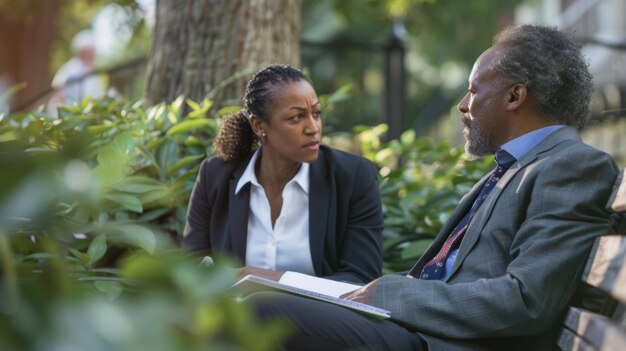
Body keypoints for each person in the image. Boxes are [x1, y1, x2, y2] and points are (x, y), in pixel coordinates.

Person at [252, 24, 620, 350]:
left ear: (514, 96)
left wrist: (391, 294)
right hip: (420, 330)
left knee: (260, 314)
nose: (462, 105)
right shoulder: (518, 166)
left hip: (442, 341)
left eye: (474, 90)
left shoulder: (570, 165)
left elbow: (527, 300)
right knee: (253, 296)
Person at [182, 64, 384, 284]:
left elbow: (361, 280)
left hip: (319, 317)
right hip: (235, 315)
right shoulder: (215, 176)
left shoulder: (352, 177)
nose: (313, 127)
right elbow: (192, 268)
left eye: (316, 113)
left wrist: (263, 278)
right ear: (259, 126)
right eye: (296, 118)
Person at [51, 30, 106, 105]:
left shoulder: (93, 71)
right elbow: (57, 87)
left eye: (93, 51)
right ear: (82, 52)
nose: (93, 54)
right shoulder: (72, 67)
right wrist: (64, 106)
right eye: (90, 51)